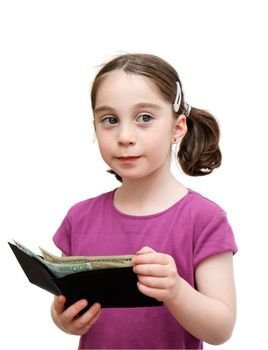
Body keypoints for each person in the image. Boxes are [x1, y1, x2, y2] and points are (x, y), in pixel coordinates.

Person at [50, 53, 238, 349]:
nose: (125, 136)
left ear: (177, 128)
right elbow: (69, 305)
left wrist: (176, 290)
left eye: (145, 118)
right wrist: (63, 319)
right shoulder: (79, 218)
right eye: (109, 120)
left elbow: (221, 329)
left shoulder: (204, 218)